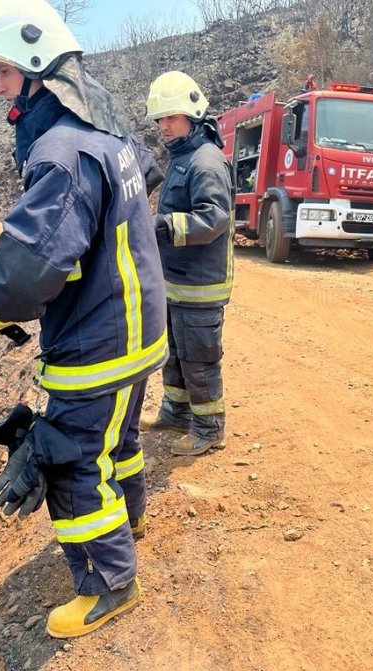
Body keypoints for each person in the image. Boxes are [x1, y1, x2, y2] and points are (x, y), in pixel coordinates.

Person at [0, 0, 166, 639]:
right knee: (117, 439)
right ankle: (132, 520)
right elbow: (144, 174)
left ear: (36, 69)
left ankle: (111, 583)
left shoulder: (61, 154)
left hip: (100, 340)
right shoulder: (106, 137)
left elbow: (27, 271)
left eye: (3, 71)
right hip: (138, 330)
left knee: (72, 458)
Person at [141, 71, 234, 457]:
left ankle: (209, 427)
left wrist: (162, 225)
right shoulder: (182, 157)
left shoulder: (206, 162)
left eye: (171, 118)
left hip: (200, 284)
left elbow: (215, 218)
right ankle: (176, 412)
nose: (163, 126)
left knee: (199, 358)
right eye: (160, 119)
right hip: (176, 282)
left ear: (192, 118)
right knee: (175, 353)